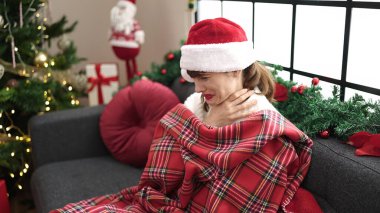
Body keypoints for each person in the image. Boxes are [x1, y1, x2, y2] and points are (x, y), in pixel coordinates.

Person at [53, 18, 319, 213]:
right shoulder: (197, 105)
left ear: (234, 70)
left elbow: (223, 195)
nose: (198, 89)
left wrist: (204, 135)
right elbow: (162, 179)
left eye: (204, 78)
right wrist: (210, 125)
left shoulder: (263, 125)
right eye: (194, 79)